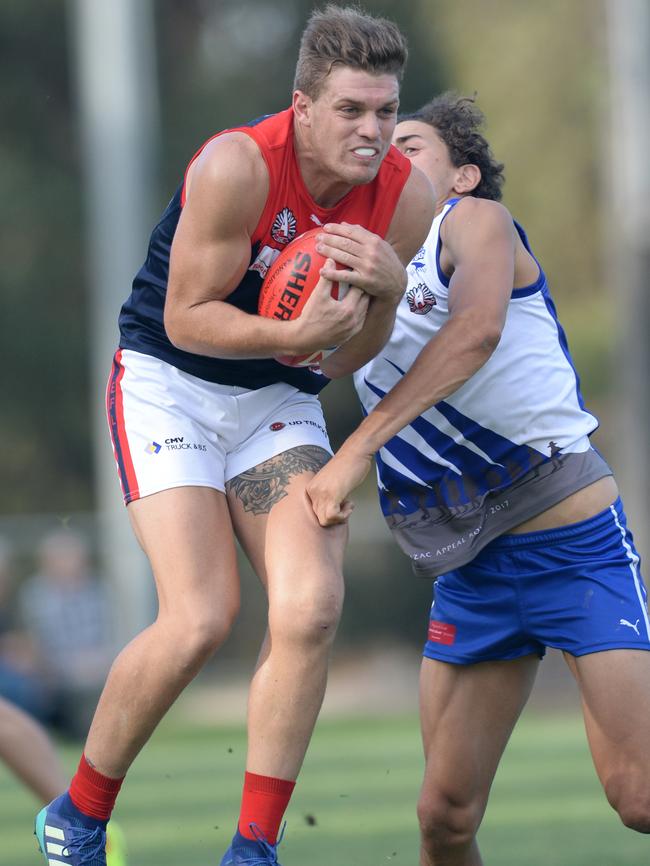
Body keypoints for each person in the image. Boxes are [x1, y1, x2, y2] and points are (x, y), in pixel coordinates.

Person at [35, 6, 434, 866]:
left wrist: (391, 294)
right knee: (200, 618)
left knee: (311, 606)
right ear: (302, 105)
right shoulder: (236, 165)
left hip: (277, 403)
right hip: (169, 386)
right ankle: (80, 812)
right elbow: (183, 318)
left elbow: (338, 362)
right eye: (351, 111)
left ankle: (253, 849)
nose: (373, 132)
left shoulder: (408, 194)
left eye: (385, 111)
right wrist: (293, 336)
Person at [307, 92, 650, 865]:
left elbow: (475, 331)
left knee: (639, 799)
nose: (388, 155)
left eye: (412, 146)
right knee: (444, 819)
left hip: (575, 549)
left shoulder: (473, 223)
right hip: (471, 573)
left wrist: (355, 451)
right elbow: (299, 361)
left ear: (461, 178)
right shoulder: (354, 267)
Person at [19, 529, 115, 738]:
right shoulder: (35, 596)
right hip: (53, 668)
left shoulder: (100, 592)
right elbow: (33, 643)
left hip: (97, 663)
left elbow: (114, 633)